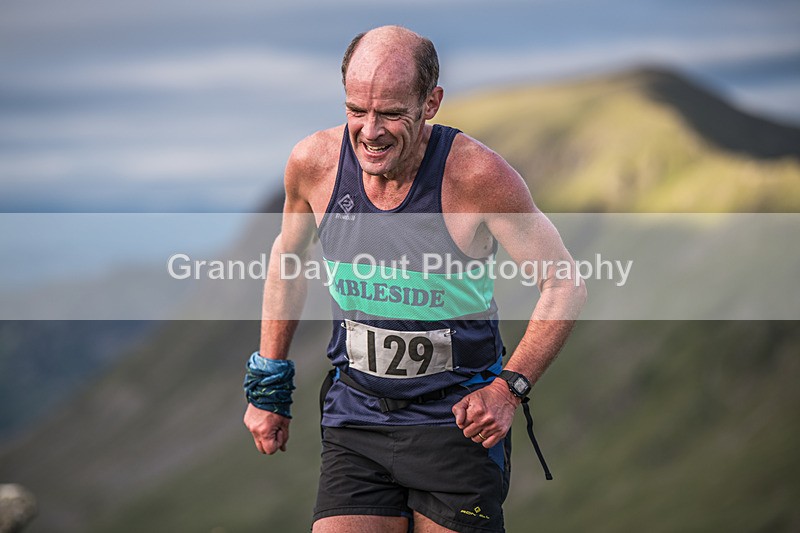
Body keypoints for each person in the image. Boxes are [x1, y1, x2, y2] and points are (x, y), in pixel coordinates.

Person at [243, 25, 587, 533]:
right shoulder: (313, 164)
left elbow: (564, 284)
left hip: (457, 426)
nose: (370, 131)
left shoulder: (476, 176)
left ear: (431, 102)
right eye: (356, 110)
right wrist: (268, 382)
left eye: (390, 113)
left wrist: (507, 390)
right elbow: (286, 258)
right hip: (355, 416)